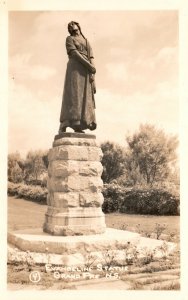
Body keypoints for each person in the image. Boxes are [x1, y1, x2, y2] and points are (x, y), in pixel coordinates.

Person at [59, 21, 97, 134]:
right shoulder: (69, 39)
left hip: (86, 71)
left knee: (84, 98)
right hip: (75, 69)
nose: (72, 29)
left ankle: (78, 125)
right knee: (73, 96)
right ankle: (65, 123)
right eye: (71, 29)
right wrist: (89, 65)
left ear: (79, 28)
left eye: (75, 28)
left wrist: (93, 73)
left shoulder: (86, 41)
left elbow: (91, 57)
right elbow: (74, 53)